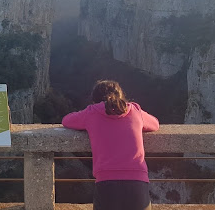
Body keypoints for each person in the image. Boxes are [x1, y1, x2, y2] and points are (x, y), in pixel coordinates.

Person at [62, 80, 159, 210]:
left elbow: (66, 121)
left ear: (95, 99)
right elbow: (155, 124)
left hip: (106, 183)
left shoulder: (92, 112)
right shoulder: (135, 110)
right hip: (138, 183)